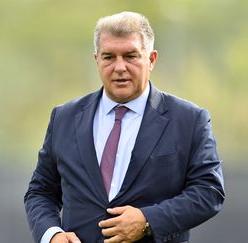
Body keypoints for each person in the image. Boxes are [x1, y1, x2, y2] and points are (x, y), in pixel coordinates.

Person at [24, 11, 225, 243]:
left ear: (151, 59)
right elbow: (40, 192)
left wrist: (147, 220)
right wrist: (52, 235)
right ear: (96, 59)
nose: (119, 67)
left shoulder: (189, 120)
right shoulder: (64, 118)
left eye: (130, 56)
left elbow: (209, 192)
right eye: (109, 57)